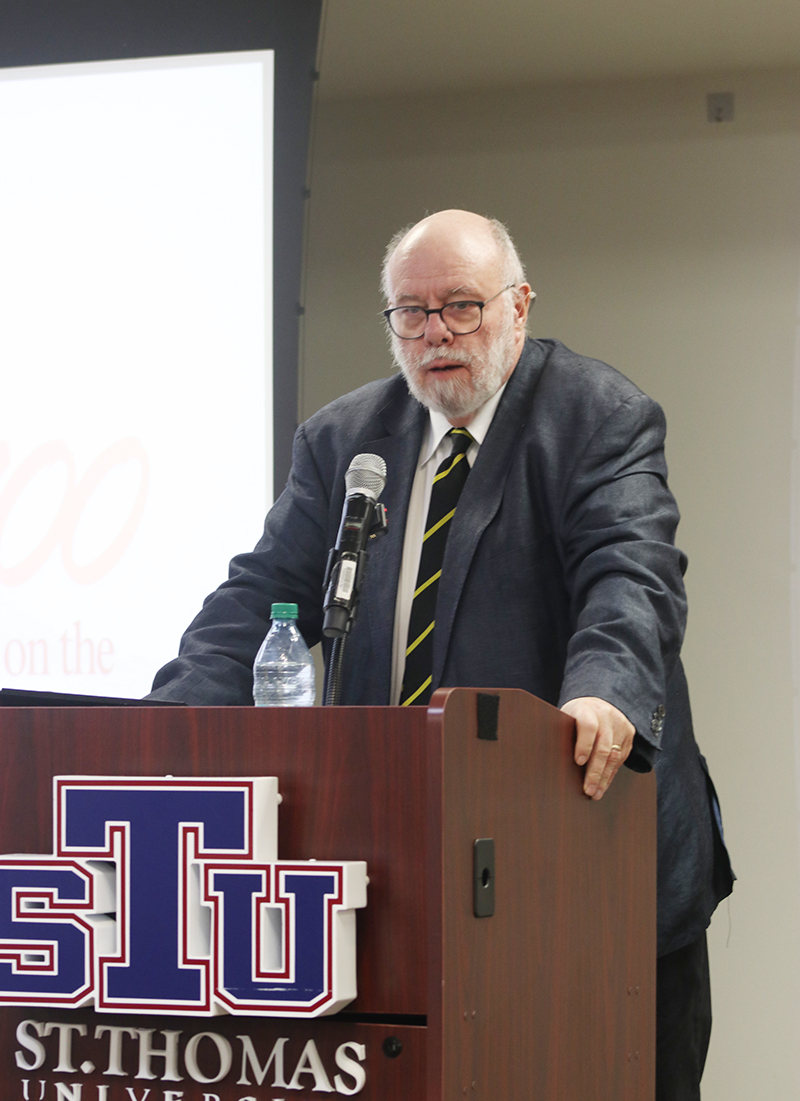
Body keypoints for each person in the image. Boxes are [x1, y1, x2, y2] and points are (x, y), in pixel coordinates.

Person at [149, 209, 733, 1099]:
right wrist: (163, 731)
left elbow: (632, 578)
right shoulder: (345, 442)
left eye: (461, 306)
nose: (436, 334)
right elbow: (253, 595)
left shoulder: (598, 416)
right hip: (409, 864)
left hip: (588, 853)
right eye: (411, 313)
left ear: (520, 306)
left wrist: (605, 693)